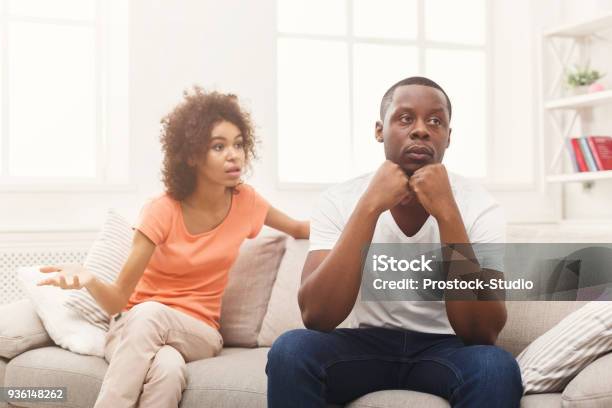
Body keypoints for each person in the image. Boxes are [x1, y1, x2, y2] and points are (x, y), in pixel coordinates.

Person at [37, 87, 309, 408]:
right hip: (131, 329)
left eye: (238, 144)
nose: (234, 154)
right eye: (218, 146)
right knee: (166, 369)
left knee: (150, 314)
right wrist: (90, 279)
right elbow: (118, 302)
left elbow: (300, 228)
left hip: (198, 331)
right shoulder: (161, 210)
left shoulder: (247, 202)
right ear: (192, 155)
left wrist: (367, 218)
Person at [266, 76, 522, 407]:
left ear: (448, 136)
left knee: (496, 367)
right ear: (379, 130)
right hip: (366, 345)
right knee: (291, 349)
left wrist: (447, 214)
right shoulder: (340, 199)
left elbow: (482, 333)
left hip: (446, 347)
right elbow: (317, 316)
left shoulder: (479, 206)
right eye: (405, 118)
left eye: (435, 121)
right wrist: (370, 206)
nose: (421, 130)